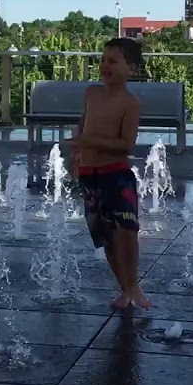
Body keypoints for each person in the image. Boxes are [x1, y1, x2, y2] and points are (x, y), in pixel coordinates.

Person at [70, 37, 150, 310]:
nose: (105, 65)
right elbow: (81, 128)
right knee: (105, 237)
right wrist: (77, 154)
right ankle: (124, 289)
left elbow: (127, 145)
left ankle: (134, 284)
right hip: (89, 174)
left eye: (113, 61)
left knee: (126, 232)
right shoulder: (91, 93)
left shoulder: (130, 103)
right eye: (103, 60)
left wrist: (90, 142)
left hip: (116, 174)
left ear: (132, 69)